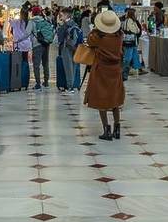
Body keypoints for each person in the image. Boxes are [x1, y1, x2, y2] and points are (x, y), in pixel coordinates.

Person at [84, 10, 124, 141]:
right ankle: (117, 128)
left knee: (101, 100)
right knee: (115, 100)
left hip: (101, 70)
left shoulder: (98, 37)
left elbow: (89, 41)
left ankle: (106, 129)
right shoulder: (119, 36)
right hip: (115, 70)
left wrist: (96, 29)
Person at [56, 7, 82, 94]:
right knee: (73, 66)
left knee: (68, 67)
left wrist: (59, 26)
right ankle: (72, 85)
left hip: (66, 47)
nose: (60, 16)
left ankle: (70, 87)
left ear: (66, 15)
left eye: (62, 15)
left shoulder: (65, 25)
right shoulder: (75, 24)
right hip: (75, 47)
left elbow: (59, 38)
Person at [30, 6, 55, 90]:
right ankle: (46, 82)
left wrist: (18, 39)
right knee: (45, 63)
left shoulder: (32, 21)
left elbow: (26, 33)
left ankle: (38, 83)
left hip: (37, 44)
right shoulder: (46, 20)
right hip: (46, 43)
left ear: (33, 13)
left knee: (36, 64)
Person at [120, 7, 144, 80]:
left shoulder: (130, 20)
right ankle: (124, 74)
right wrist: (137, 29)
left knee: (134, 56)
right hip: (129, 42)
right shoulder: (130, 21)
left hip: (131, 42)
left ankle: (136, 69)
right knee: (128, 58)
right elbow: (136, 30)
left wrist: (137, 29)